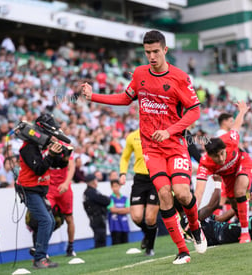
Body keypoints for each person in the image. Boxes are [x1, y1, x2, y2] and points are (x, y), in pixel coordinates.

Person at [81, 30, 205, 264]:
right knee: (164, 195)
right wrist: (93, 96)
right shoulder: (139, 74)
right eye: (147, 52)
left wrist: (169, 130)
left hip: (175, 144)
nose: (151, 56)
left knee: (182, 192)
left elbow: (195, 110)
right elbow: (125, 98)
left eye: (156, 51)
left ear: (165, 50)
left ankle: (196, 228)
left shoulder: (180, 77)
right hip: (151, 148)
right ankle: (182, 251)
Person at [195, 100, 252, 244]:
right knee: (234, 204)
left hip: (242, 162)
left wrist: (242, 111)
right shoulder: (204, 163)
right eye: (216, 156)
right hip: (227, 176)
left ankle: (245, 233)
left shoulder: (231, 140)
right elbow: (199, 191)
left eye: (222, 154)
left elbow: (237, 125)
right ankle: (245, 224)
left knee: (240, 191)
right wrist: (192, 215)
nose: (221, 159)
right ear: (209, 155)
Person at [16, 114, 66, 269]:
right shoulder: (28, 147)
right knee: (45, 221)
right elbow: (38, 169)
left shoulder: (41, 145)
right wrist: (51, 155)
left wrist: (61, 156)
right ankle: (39, 258)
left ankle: (39, 253)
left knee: (50, 222)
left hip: (38, 189)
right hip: (29, 189)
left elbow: (57, 165)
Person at [119, 129, 159, 256]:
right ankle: (149, 234)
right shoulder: (132, 137)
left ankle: (150, 248)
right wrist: (123, 173)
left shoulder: (158, 134)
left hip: (155, 177)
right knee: (136, 217)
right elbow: (125, 157)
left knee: (150, 218)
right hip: (140, 180)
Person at [47, 143, 76, 257]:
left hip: (64, 188)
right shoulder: (44, 145)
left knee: (69, 218)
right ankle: (43, 249)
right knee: (46, 217)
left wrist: (66, 183)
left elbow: (71, 166)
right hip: (50, 188)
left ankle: (70, 247)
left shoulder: (65, 147)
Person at [83, 173, 111, 248]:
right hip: (97, 218)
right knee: (100, 238)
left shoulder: (90, 192)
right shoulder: (91, 192)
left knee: (100, 237)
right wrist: (106, 199)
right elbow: (105, 200)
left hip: (96, 217)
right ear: (92, 181)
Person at [108, 179, 130, 245]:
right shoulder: (110, 198)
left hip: (124, 226)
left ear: (120, 186)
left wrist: (116, 209)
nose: (115, 188)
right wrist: (123, 209)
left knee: (125, 244)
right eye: (113, 186)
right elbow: (112, 210)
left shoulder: (125, 198)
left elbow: (128, 210)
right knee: (116, 245)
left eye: (117, 186)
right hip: (115, 226)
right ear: (111, 187)